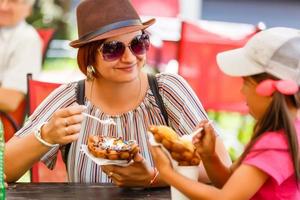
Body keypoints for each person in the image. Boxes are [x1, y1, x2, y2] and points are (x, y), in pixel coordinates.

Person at [4, 0, 231, 186]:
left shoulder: (166, 90)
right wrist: (45, 136)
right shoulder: (71, 98)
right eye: (113, 49)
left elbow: (222, 167)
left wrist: (154, 176)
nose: (130, 57)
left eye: (138, 43)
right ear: (89, 57)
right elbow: (5, 171)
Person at [150, 27, 300, 199]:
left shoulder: (276, 144)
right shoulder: (280, 134)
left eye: (245, 82)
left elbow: (226, 198)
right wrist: (209, 155)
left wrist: (168, 173)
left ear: (268, 90)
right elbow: (230, 184)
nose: (242, 91)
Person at [0, 0, 41, 112]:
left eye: (13, 2)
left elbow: (10, 100)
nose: (3, 7)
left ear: (28, 10)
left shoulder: (27, 38)